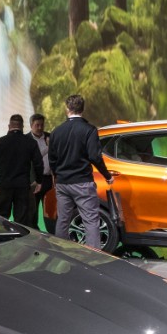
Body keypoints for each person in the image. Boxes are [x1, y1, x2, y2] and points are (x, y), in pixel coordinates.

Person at [48, 94, 113, 247]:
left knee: (63, 220)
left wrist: (57, 175)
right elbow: (95, 157)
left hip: (63, 183)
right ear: (83, 109)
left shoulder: (56, 132)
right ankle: (93, 259)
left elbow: (52, 159)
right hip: (82, 183)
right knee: (90, 220)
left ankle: (61, 254)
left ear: (67, 109)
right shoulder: (89, 130)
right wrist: (107, 175)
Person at [0, 114, 44, 226]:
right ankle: (20, 242)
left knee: (1, 219)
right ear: (22, 127)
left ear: (9, 126)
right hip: (22, 187)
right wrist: (39, 181)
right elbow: (38, 164)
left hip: (4, 185)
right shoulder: (30, 142)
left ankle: (2, 241)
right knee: (22, 221)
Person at [29, 113, 53, 230]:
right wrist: (48, 147)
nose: (40, 127)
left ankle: (50, 232)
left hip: (49, 179)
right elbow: (33, 159)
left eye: (42, 125)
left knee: (49, 208)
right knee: (32, 209)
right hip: (34, 180)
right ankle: (34, 231)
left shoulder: (50, 137)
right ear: (31, 125)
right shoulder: (26, 139)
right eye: (37, 125)